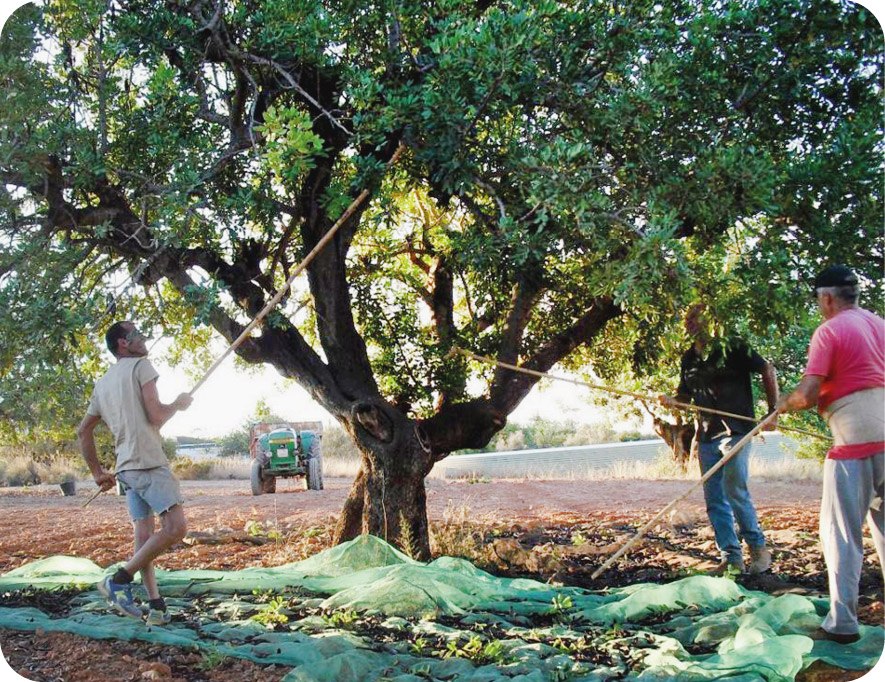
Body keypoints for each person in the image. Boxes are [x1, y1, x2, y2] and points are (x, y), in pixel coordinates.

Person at [777, 265, 884, 644]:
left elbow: (805, 395)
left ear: (826, 298)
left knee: (841, 536)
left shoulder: (830, 330)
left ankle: (842, 626)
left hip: (854, 446)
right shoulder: (879, 323)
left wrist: (780, 404)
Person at [77, 321, 193, 625]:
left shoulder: (103, 384)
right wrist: (178, 405)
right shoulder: (142, 365)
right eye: (136, 335)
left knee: (143, 537)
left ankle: (156, 606)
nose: (143, 339)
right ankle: (119, 579)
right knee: (175, 528)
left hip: (126, 467)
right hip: (148, 463)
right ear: (122, 344)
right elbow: (156, 415)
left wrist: (97, 473)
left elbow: (83, 430)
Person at [659, 304, 779, 575]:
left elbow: (767, 369)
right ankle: (731, 558)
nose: (688, 323)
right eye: (687, 318)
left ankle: (758, 549)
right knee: (714, 498)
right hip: (707, 436)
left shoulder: (732, 346)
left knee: (734, 489)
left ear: (710, 320)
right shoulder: (688, 358)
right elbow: (684, 399)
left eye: (694, 318)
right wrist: (670, 401)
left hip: (737, 431)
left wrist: (774, 412)